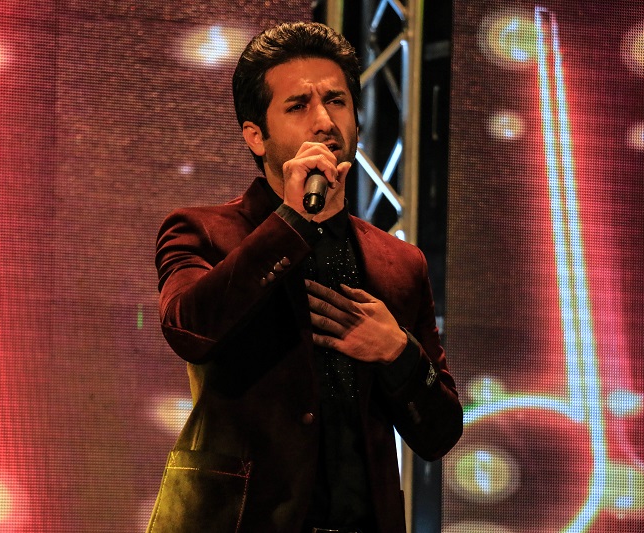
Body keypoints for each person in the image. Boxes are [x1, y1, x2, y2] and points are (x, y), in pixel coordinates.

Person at [146, 21, 462, 533]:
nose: (324, 121)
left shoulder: (400, 262)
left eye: (337, 101)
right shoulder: (201, 230)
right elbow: (190, 329)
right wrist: (291, 222)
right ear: (256, 135)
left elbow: (440, 434)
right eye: (298, 106)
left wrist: (397, 352)